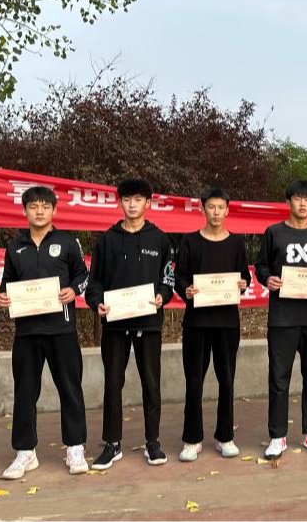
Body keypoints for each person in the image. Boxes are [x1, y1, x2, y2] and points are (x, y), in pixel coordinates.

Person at [0, 186, 90, 478]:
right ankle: (25, 452)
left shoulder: (67, 242)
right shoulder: (15, 247)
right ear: (24, 210)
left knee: (70, 389)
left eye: (45, 206)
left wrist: (73, 290)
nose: (39, 211)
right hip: (27, 332)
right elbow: (6, 283)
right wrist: (2, 297)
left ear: (54, 210)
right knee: (25, 392)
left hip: (61, 329)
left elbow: (83, 275)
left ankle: (75, 447)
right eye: (33, 206)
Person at [85, 178, 175, 469]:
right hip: (114, 325)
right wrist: (97, 302)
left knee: (151, 384)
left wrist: (162, 296)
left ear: (148, 203)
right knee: (113, 383)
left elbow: (168, 279)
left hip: (148, 324)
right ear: (120, 202)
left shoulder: (159, 239)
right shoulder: (107, 240)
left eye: (138, 199)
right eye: (127, 199)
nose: (132, 205)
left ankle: (153, 442)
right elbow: (94, 283)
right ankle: (112, 444)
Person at [255, 180, 307, 459]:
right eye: (298, 198)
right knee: (279, 379)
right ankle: (278, 435)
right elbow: (261, 266)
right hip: (282, 318)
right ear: (288, 201)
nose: (303, 204)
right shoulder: (274, 233)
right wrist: (267, 279)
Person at [174, 187, 252, 462]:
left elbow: (245, 277)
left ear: (227, 210)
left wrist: (242, 284)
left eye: (221, 208)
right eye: (211, 207)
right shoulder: (190, 241)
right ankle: (191, 439)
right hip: (196, 322)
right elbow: (179, 277)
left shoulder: (236, 243)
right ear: (203, 209)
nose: (216, 212)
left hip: (227, 323)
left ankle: (224, 437)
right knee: (194, 381)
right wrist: (186, 289)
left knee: (226, 381)